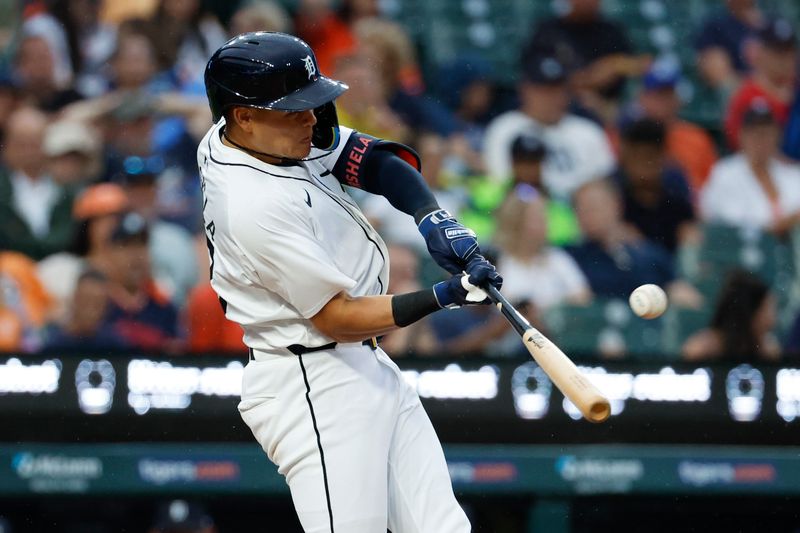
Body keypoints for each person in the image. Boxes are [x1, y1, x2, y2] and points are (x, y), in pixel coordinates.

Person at [199, 32, 502, 532]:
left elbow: (372, 157)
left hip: (364, 365)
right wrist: (441, 296)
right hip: (311, 382)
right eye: (292, 108)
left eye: (310, 103)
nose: (310, 118)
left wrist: (432, 217)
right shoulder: (252, 205)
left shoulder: (245, 136)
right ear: (243, 115)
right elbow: (337, 318)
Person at [482, 54, 615, 198]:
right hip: (530, 208)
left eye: (557, 90)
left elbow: (605, 184)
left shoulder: (589, 131)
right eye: (543, 90)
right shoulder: (504, 128)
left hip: (581, 211)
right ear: (525, 90)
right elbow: (502, 181)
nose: (551, 97)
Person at [701, 98, 800, 235]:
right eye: (755, 133)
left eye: (766, 133)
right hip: (740, 253)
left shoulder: (792, 174)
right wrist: (784, 224)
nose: (761, 140)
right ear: (742, 135)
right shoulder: (724, 173)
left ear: (777, 135)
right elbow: (733, 226)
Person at [613, 118, 696, 253]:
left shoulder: (676, 199)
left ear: (662, 158)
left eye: (649, 157)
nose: (642, 165)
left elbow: (691, 231)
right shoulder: (615, 199)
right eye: (636, 157)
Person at [724, 17, 798, 151]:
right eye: (777, 52)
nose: (784, 59)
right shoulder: (745, 96)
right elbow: (741, 150)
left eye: (789, 51)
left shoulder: (796, 89)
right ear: (761, 52)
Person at [682, 269, 780, 362]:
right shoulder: (700, 350)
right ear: (750, 314)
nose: (772, 321)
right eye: (767, 311)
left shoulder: (768, 351)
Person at [693, 0, 763, 98]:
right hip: (739, 96)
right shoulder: (716, 25)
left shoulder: (769, 24)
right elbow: (716, 72)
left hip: (770, 94)